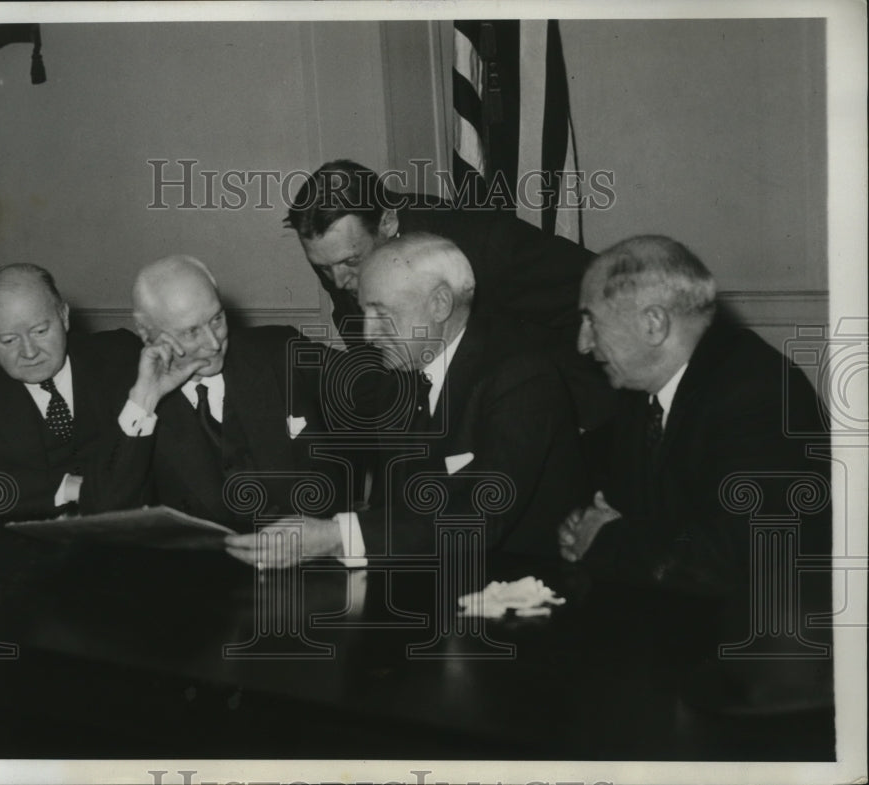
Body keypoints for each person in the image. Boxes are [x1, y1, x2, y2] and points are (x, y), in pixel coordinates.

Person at [558, 235, 832, 711]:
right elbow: (638, 516)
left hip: (764, 673)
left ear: (653, 323)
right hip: (683, 644)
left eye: (590, 321)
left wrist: (603, 541)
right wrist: (587, 526)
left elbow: (739, 559)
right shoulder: (641, 390)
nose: (582, 344)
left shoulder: (759, 393)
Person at [226, 232, 586, 567]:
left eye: (382, 314)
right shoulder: (402, 374)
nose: (368, 334)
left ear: (440, 304)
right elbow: (393, 508)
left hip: (524, 592)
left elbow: (481, 518)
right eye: (364, 312)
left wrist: (337, 537)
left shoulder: (521, 377)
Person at [284, 158, 614, 430]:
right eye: (325, 268)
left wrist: (570, 410)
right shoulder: (336, 257)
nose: (339, 281)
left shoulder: (483, 244)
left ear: (387, 222)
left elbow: (605, 289)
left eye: (351, 262)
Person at [106, 255, 345, 526]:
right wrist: (145, 401)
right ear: (148, 334)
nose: (213, 343)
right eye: (191, 332)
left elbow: (383, 390)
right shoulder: (130, 400)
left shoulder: (281, 352)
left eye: (217, 319)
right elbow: (108, 513)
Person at [0, 264, 142, 520]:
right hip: (30, 550)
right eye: (9, 340)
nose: (29, 352)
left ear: (64, 317)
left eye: (40, 331)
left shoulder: (122, 355)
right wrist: (68, 488)